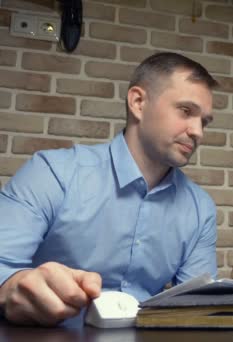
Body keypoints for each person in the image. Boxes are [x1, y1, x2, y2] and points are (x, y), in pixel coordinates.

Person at [0, 52, 219, 326]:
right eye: (186, 111)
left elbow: (197, 309)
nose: (198, 131)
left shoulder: (201, 208)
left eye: (205, 121)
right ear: (138, 103)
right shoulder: (52, 173)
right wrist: (11, 285)